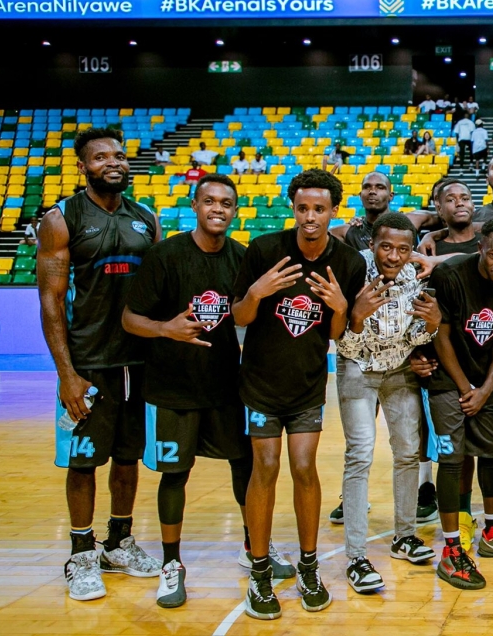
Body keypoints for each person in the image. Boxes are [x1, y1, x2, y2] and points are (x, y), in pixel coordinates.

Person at [121, 174, 293, 608]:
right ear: (195, 206)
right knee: (175, 475)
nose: (218, 209)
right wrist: (165, 328)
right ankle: (172, 564)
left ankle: (255, 546)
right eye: (210, 201)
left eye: (227, 203)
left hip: (227, 386)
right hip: (171, 386)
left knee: (244, 468)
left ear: (236, 210)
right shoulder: (166, 255)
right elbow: (129, 318)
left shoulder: (242, 257)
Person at [231, 169, 367, 620]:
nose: (310, 217)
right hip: (260, 383)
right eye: (303, 208)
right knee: (265, 467)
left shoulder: (348, 261)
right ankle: (259, 571)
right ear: (293, 208)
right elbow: (241, 317)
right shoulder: (264, 249)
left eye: (319, 209)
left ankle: (309, 566)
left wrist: (342, 308)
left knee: (304, 467)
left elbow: (334, 334)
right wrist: (257, 291)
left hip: (308, 382)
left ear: (333, 211)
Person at [38, 127, 163, 602]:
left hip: (136, 360)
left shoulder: (145, 218)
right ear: (82, 166)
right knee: (83, 461)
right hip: (88, 363)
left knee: (129, 456)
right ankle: (81, 553)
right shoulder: (61, 219)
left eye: (119, 155)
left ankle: (119, 542)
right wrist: (67, 374)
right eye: (101, 157)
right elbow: (50, 302)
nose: (114, 162)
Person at [334, 211, 442, 594]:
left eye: (402, 249)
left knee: (409, 452)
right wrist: (358, 321)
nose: (393, 256)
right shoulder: (351, 271)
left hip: (399, 370)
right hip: (357, 366)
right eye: (385, 247)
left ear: (411, 250)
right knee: (360, 454)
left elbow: (415, 335)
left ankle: (404, 537)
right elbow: (342, 342)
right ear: (371, 245)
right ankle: (357, 557)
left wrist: (429, 326)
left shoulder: (417, 276)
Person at [422, 218, 493, 589]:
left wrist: (487, 388)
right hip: (448, 380)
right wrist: (467, 387)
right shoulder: (450, 275)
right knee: (452, 459)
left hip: (485, 381)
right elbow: (440, 335)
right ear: (480, 247)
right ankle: (450, 552)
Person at [423, 180, 480, 256]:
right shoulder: (431, 250)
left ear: (473, 206)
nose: (459, 203)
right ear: (440, 210)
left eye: (465, 199)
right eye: (451, 200)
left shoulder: (489, 241)